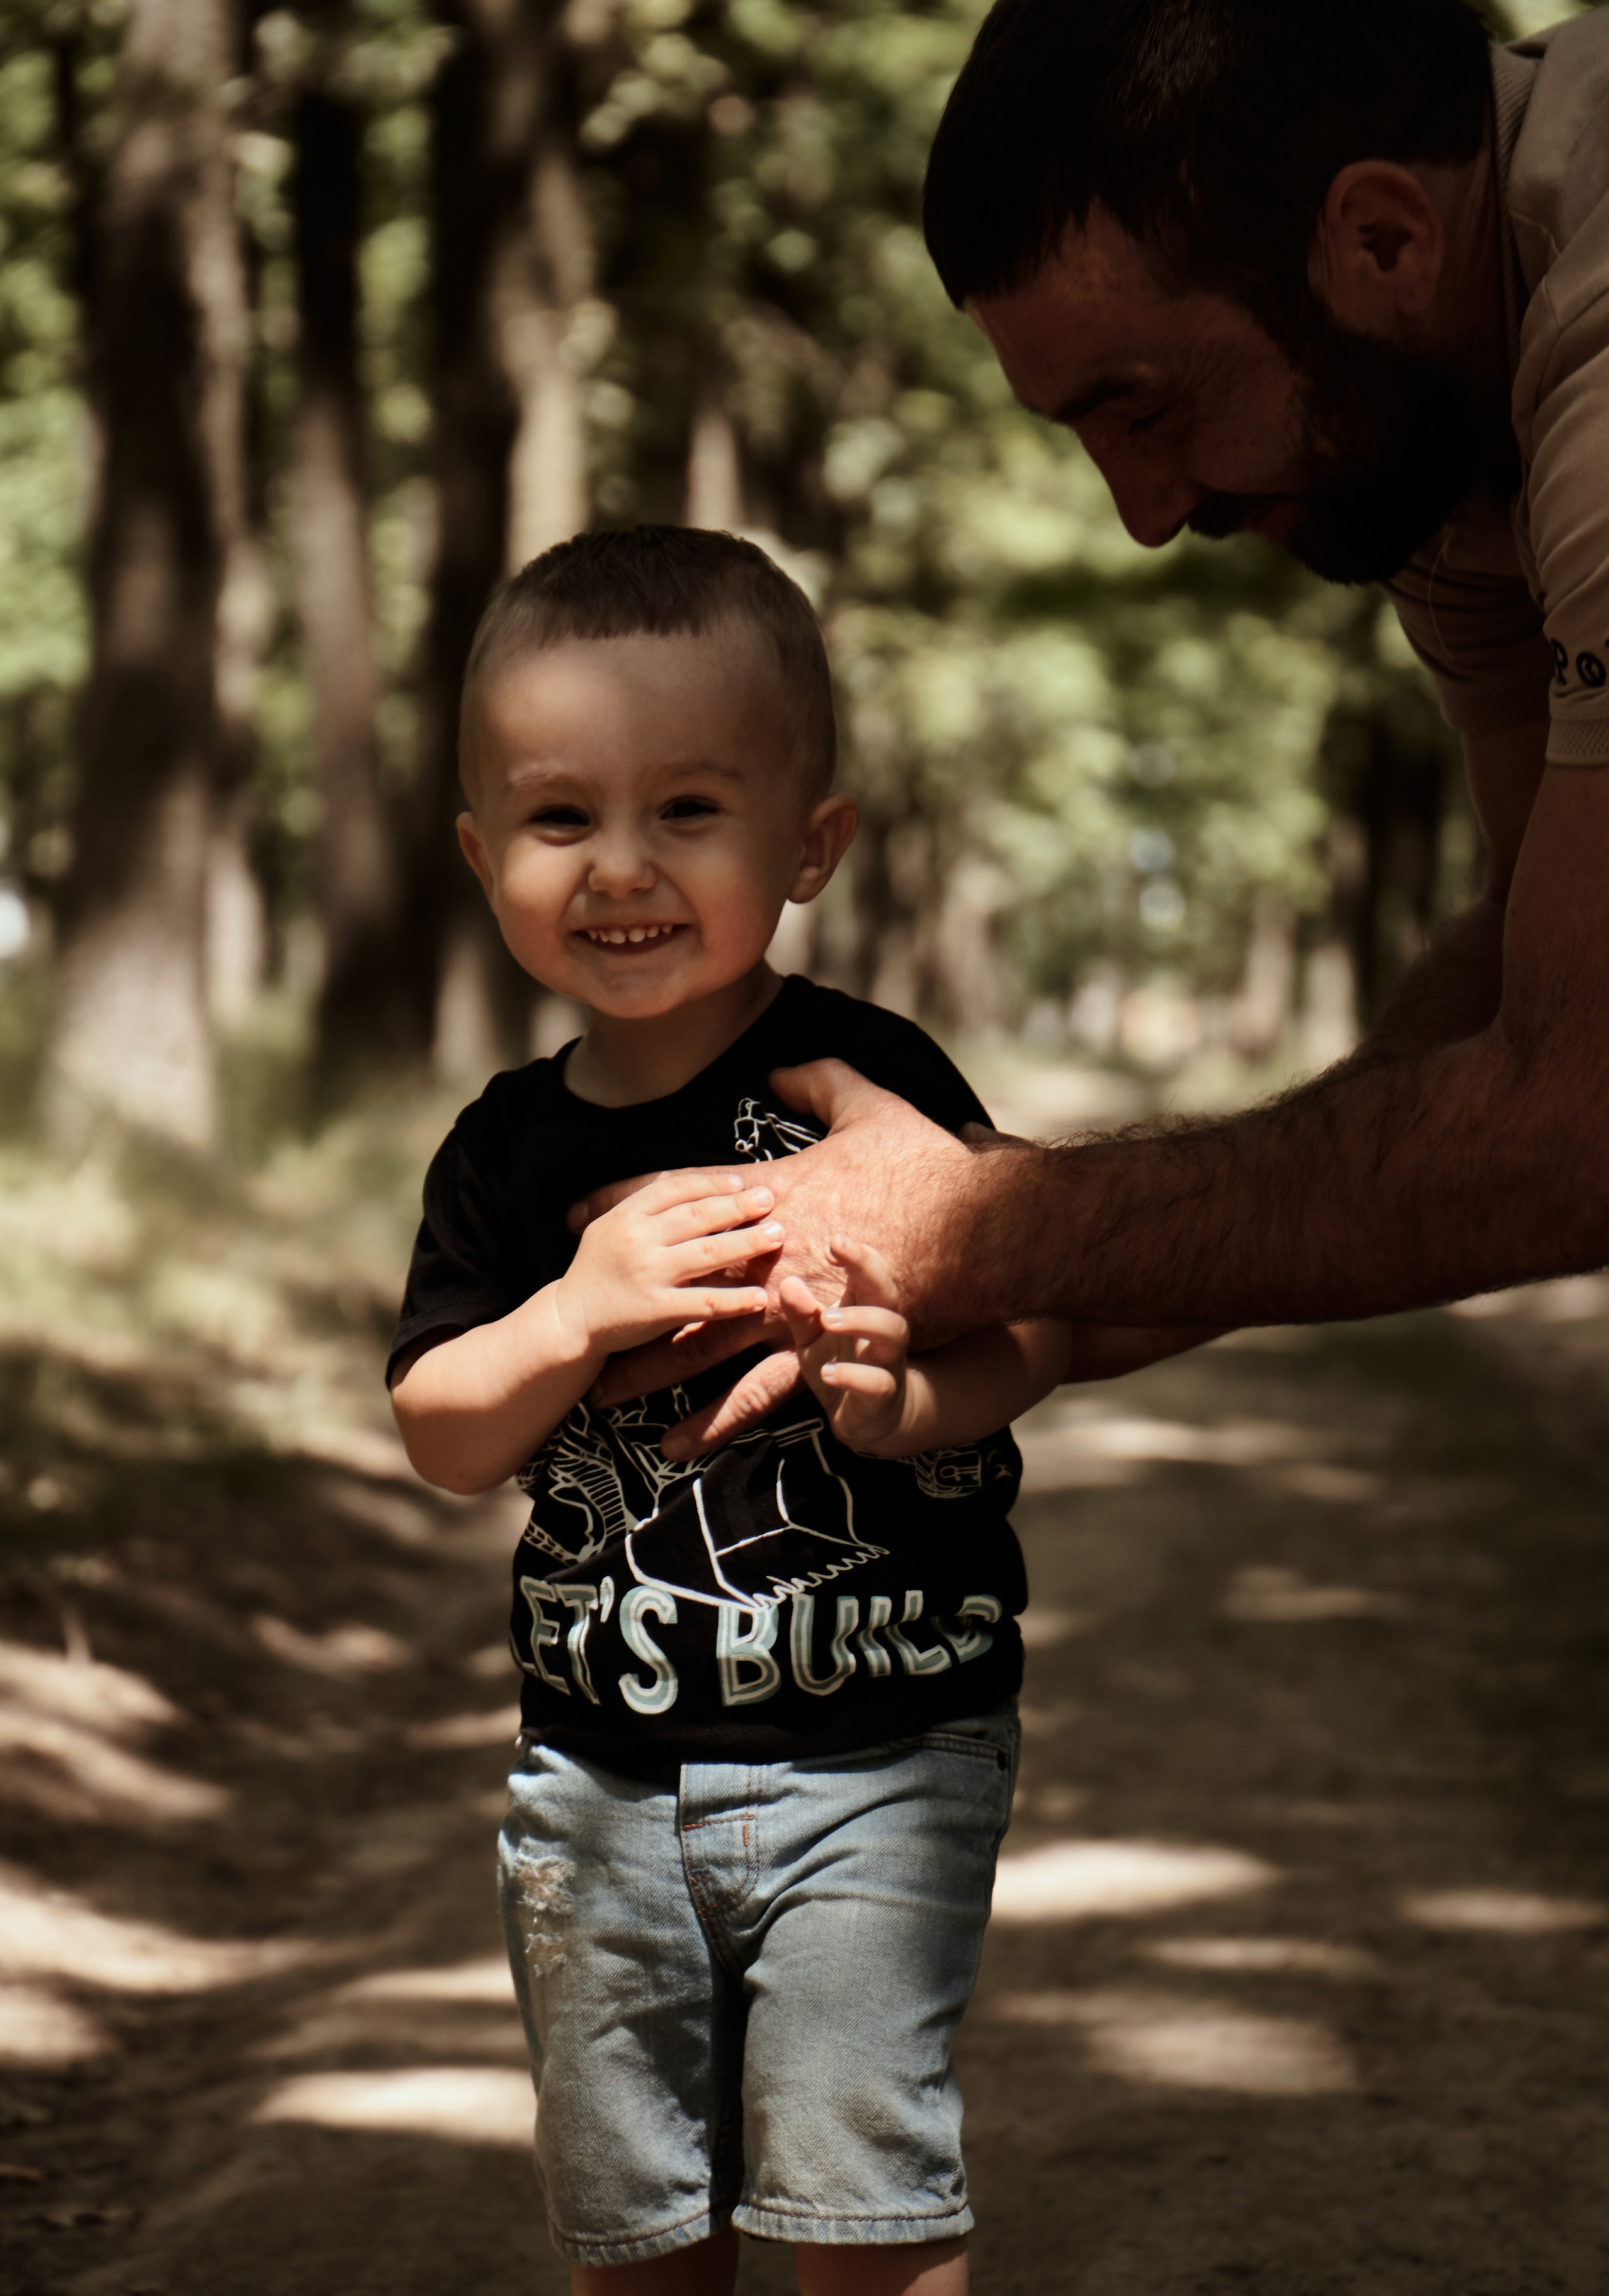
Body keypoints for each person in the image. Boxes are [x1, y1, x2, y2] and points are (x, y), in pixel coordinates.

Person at [575, 0, 1609, 1457]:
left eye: (1146, 405)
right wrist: (1043, 1271)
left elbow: (1577, 1119)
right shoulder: (1423, 414)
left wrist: (993, 1234)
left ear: (1380, 239)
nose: (1144, 515)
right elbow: (1536, 968)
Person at [386, 525, 1161, 2296]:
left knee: (852, 2150)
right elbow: (439, 1430)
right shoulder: (502, 1157)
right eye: (561, 817)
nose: (624, 866)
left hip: (885, 1749)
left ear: (807, 846)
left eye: (690, 809)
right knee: (628, 2177)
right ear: (485, 856)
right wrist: (574, 1316)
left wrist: (916, 1402)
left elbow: (1035, 1328)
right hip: (599, 1776)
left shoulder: (868, 1088)